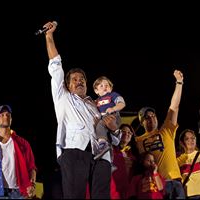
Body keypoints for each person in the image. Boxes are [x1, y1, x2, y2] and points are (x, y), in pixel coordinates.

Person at [43, 21, 121, 199]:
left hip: (101, 155)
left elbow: (115, 140)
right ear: (67, 86)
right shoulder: (63, 97)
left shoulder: (97, 105)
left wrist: (114, 129)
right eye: (75, 79)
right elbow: (55, 66)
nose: (79, 81)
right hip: (74, 151)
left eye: (82, 79)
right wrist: (49, 36)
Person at [135, 69, 186, 199]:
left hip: (175, 181)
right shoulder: (138, 140)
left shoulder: (166, 130)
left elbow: (174, 107)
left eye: (153, 115)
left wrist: (179, 82)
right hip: (157, 184)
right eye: (147, 117)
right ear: (142, 122)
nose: (151, 118)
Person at [0, 105, 37, 199]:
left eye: (8, 114)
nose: (6, 116)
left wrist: (32, 184)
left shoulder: (23, 143)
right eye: (2, 115)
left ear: (11, 119)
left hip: (19, 193)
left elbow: (31, 167)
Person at [93, 76, 126, 158]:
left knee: (100, 125)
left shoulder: (113, 95)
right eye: (101, 86)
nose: (105, 87)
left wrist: (113, 108)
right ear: (96, 90)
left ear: (111, 88)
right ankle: (110, 161)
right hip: (104, 120)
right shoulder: (96, 101)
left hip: (113, 116)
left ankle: (102, 144)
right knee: (110, 139)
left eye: (107, 85)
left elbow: (122, 104)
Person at [110, 123, 139, 199]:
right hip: (114, 189)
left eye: (129, 132)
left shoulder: (135, 154)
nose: (126, 134)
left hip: (129, 190)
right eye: (123, 131)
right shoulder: (111, 149)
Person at [177, 129, 200, 199]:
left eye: (193, 138)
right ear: (181, 143)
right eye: (187, 139)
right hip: (189, 196)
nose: (191, 140)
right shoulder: (178, 161)